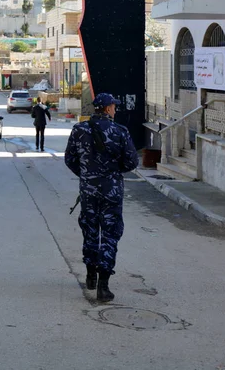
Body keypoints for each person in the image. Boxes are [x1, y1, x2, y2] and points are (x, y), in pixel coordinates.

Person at [64, 93, 139, 302]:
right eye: (114, 106)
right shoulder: (120, 131)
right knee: (110, 234)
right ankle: (103, 286)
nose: (115, 109)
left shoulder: (79, 130)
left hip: (89, 191)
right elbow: (132, 162)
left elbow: (69, 159)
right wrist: (112, 174)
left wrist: (87, 174)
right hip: (111, 192)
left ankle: (90, 275)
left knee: (90, 230)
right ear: (107, 109)